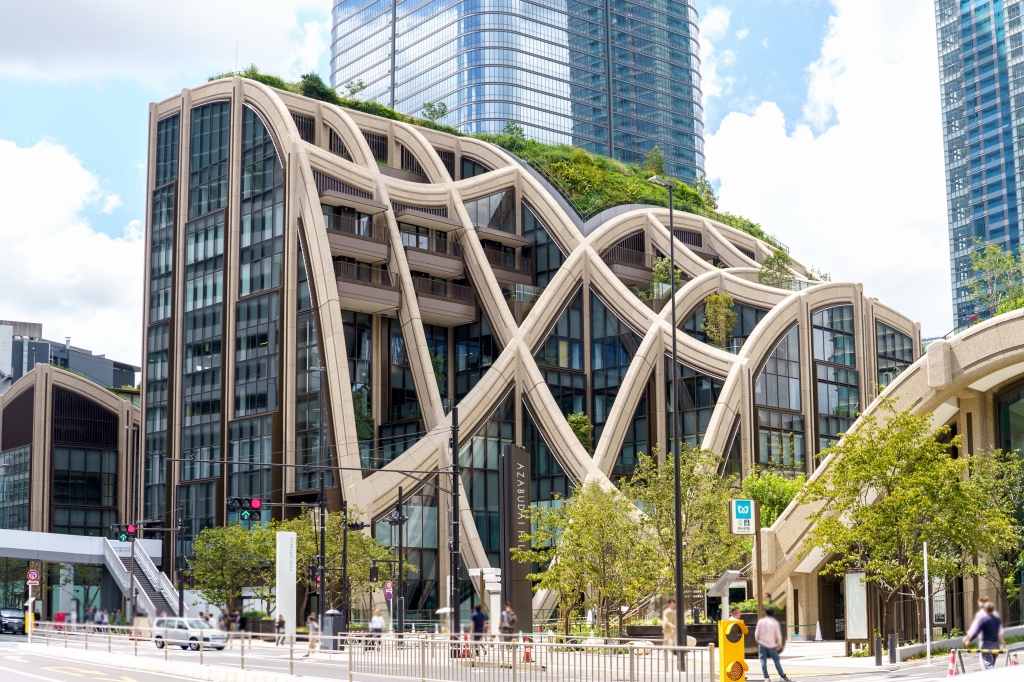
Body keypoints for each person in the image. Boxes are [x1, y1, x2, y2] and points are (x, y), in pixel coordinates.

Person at [964, 601, 1005, 670]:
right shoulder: (997, 620)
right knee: (991, 664)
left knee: (988, 664)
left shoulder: (984, 620)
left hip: (986, 645)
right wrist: (1002, 640)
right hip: (995, 645)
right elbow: (1000, 631)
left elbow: (977, 631)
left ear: (985, 610)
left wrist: (969, 641)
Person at [755, 606, 791, 682]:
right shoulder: (775, 622)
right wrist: (779, 643)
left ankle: (766, 677)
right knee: (776, 660)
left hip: (761, 643)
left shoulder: (761, 622)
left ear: (765, 613)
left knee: (763, 660)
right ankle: (782, 676)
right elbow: (778, 635)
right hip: (771, 645)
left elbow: (756, 632)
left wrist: (757, 640)